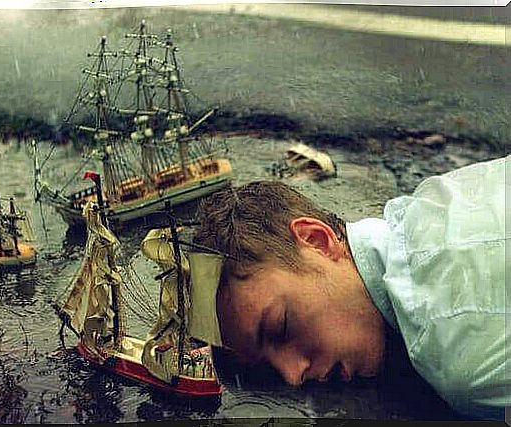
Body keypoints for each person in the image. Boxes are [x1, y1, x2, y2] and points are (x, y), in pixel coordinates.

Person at [192, 155, 509, 420]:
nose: (293, 375)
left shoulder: (461, 357)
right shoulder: (440, 201)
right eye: (269, 368)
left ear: (318, 240)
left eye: (280, 327)